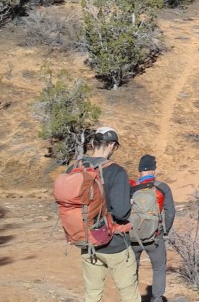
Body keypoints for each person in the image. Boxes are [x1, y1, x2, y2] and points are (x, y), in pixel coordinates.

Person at [80, 127, 138, 302]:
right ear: (111, 145)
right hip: (115, 244)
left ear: (92, 144)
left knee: (92, 294)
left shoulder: (76, 169)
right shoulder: (116, 171)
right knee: (129, 295)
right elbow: (121, 213)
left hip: (86, 241)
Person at [132, 154, 176, 302]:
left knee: (132, 270)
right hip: (155, 237)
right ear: (153, 169)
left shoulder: (131, 187)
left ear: (140, 170)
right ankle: (156, 299)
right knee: (158, 269)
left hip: (133, 237)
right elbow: (170, 212)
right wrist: (164, 231)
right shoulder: (162, 188)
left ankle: (132, 298)